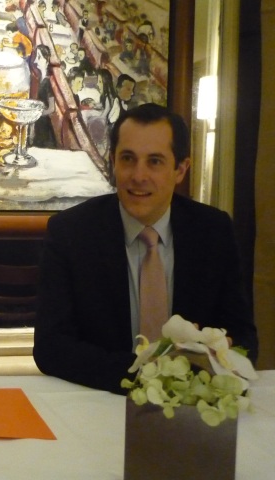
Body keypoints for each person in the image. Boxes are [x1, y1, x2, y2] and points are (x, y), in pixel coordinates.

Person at [33, 103, 258, 394]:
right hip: (101, 400)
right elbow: (51, 348)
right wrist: (147, 375)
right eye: (128, 159)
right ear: (113, 162)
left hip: (192, 405)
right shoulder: (71, 233)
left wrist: (203, 366)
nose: (138, 176)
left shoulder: (213, 232)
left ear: (181, 169)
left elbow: (244, 339)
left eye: (154, 161)